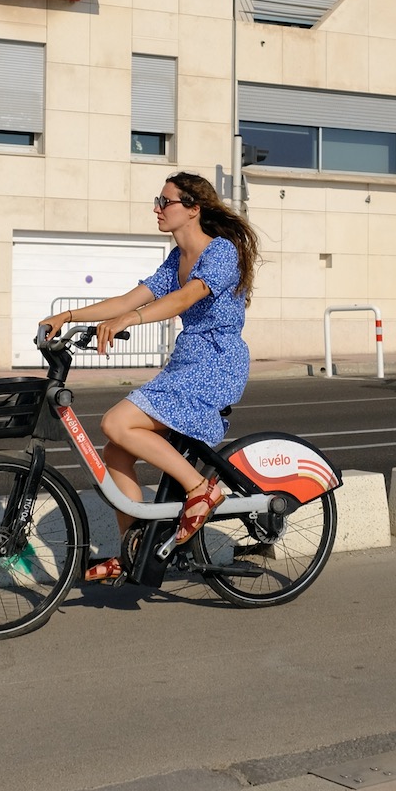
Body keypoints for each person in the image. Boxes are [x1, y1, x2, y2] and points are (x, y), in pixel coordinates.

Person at [40, 172, 260, 583]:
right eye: (157, 201)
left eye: (165, 201)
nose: (157, 209)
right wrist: (67, 315)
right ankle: (134, 548)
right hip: (186, 362)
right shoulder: (176, 259)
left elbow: (185, 297)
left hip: (217, 363)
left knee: (116, 422)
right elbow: (130, 298)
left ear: (193, 209)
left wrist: (131, 319)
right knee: (116, 452)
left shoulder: (221, 251)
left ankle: (201, 489)